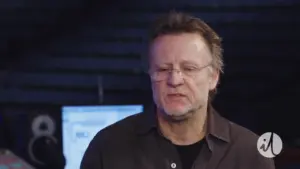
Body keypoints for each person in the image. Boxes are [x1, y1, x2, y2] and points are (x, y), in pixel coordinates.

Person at [80, 11, 275, 169]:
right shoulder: (107, 147)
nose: (174, 80)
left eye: (189, 69)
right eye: (163, 69)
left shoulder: (250, 153)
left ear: (213, 77)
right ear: (150, 74)